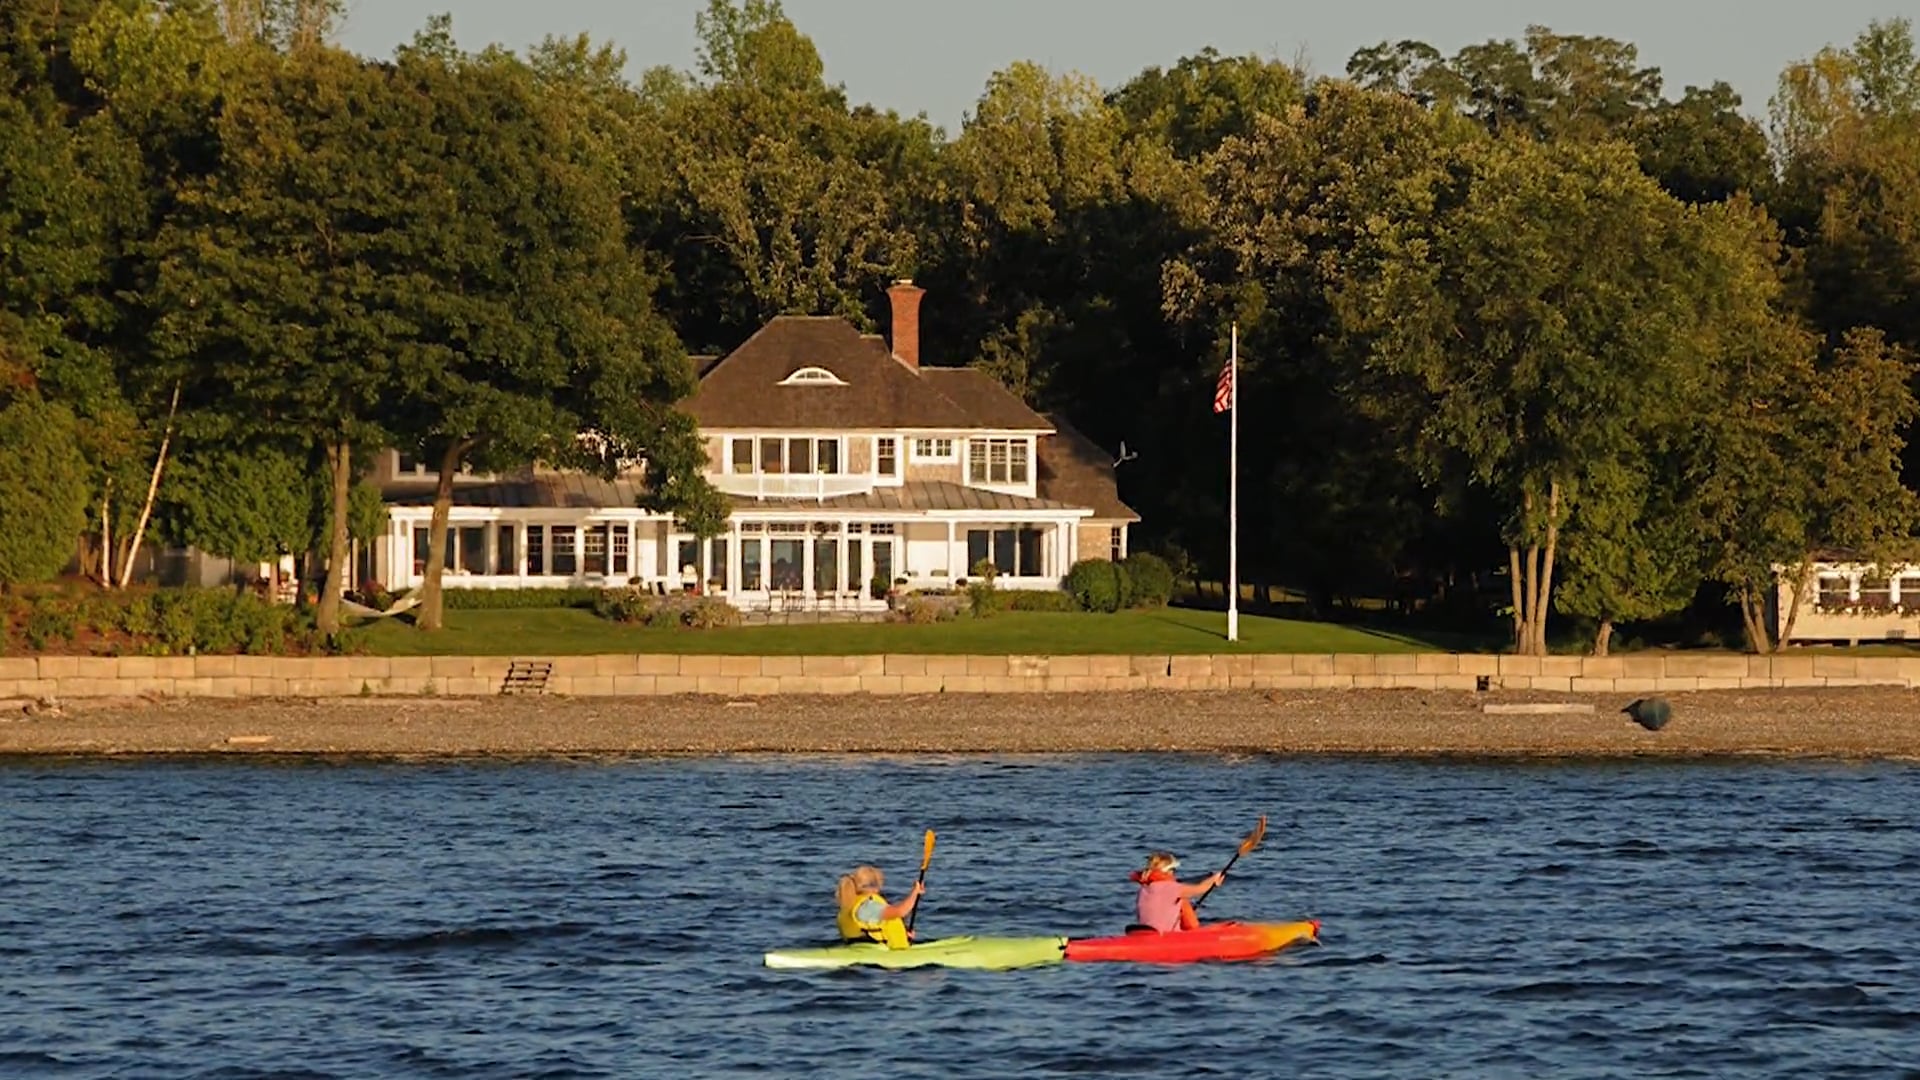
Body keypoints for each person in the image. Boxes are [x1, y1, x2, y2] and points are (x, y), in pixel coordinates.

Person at [1130, 851, 1224, 933]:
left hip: (1144, 934)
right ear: (1168, 871)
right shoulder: (1173, 888)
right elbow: (1201, 889)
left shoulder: (1143, 889)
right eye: (1173, 870)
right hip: (1165, 937)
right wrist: (1214, 879)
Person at [836, 864, 924, 949]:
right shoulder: (868, 907)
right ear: (875, 886)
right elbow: (900, 912)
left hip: (859, 949)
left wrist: (904, 933)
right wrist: (915, 892)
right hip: (879, 953)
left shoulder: (852, 904)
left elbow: (874, 927)